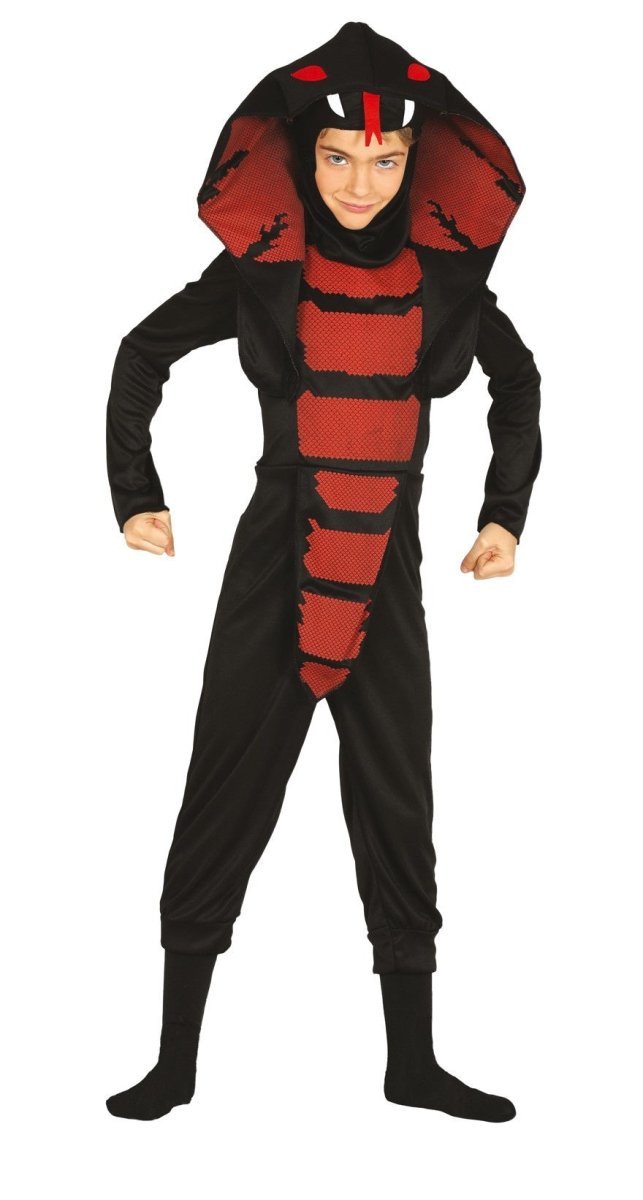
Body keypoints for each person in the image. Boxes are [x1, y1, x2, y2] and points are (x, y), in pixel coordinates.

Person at [105, 21, 542, 1122]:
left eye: (385, 161)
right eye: (337, 156)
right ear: (301, 154)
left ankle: (412, 1065)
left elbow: (519, 380)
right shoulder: (264, 270)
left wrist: (503, 515)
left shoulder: (445, 280)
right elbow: (141, 353)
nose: (358, 183)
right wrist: (137, 493)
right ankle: (174, 1065)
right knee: (220, 799)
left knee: (400, 808)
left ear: (417, 161)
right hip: (273, 567)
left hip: (388, 579)